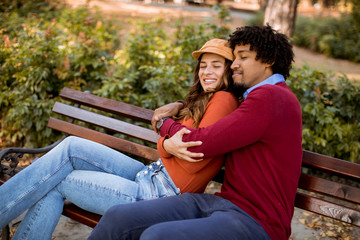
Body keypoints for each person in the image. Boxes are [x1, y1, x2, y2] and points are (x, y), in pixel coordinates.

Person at [0, 39, 240, 240]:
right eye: (203, 65)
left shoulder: (224, 100)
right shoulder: (206, 99)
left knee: (58, 182)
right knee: (71, 146)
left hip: (158, 196)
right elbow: (170, 132)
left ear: (229, 70)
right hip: (152, 175)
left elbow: (189, 151)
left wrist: (164, 143)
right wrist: (175, 115)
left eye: (216, 66)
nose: (206, 72)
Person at [88, 25, 303, 240]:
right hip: (223, 204)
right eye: (234, 58)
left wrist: (164, 124)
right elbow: (218, 98)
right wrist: (182, 106)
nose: (234, 65)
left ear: (269, 60)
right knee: (118, 216)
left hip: (258, 222)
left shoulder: (272, 98)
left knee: (157, 236)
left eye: (242, 57)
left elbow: (198, 143)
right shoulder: (257, 97)